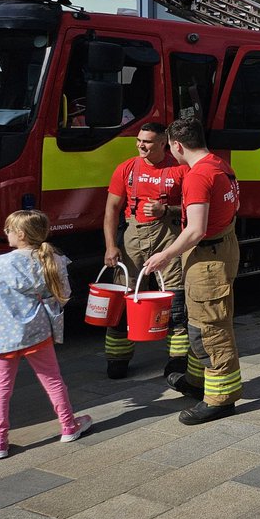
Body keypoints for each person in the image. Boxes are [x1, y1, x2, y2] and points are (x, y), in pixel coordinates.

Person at [0, 210, 91, 458]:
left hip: (4, 336)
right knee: (53, 381)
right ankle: (69, 426)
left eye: (8, 229)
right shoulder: (55, 259)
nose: (5, 233)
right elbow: (64, 295)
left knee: (1, 389)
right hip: (38, 333)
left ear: (21, 234)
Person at [144, 118, 242, 425]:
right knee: (200, 320)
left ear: (177, 145)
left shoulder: (198, 176)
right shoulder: (220, 164)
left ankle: (220, 398)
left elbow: (196, 229)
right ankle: (198, 382)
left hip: (207, 259)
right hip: (222, 247)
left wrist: (164, 255)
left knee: (209, 329)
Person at [102, 122, 187, 379]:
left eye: (148, 141)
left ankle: (177, 362)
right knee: (123, 300)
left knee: (175, 302)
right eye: (139, 140)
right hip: (132, 239)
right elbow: (111, 211)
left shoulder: (181, 170)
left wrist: (166, 210)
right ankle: (117, 360)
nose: (141, 145)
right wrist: (110, 246)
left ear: (163, 143)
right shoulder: (126, 169)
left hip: (169, 239)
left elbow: (197, 210)